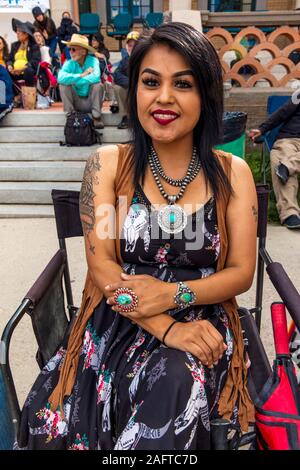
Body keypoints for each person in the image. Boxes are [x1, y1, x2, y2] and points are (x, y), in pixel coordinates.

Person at [17, 23, 257, 450]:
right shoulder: (109, 166)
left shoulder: (231, 174)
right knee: (55, 417)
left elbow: (241, 272)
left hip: (200, 319)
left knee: (177, 381)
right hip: (115, 316)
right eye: (151, 82)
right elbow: (104, 266)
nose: (163, 97)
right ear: (136, 91)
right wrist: (164, 326)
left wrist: (174, 296)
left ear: (206, 96)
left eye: (182, 84)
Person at [249, 98, 300, 229]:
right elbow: (283, 112)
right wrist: (262, 129)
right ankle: (289, 213)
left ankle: (288, 166)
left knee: (284, 165)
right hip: (289, 140)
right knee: (278, 158)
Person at [58, 34, 104, 129]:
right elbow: (60, 78)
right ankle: (71, 116)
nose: (70, 52)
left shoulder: (93, 60)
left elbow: (96, 77)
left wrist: (74, 80)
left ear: (83, 51)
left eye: (73, 49)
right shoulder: (69, 63)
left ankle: (96, 117)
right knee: (63, 85)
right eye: (69, 49)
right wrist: (80, 75)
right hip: (76, 101)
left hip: (91, 101)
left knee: (98, 85)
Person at [7, 18, 41, 108]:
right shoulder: (15, 45)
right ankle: (13, 97)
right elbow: (9, 59)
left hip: (27, 72)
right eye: (17, 31)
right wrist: (10, 66)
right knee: (4, 72)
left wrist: (23, 68)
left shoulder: (34, 46)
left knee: (29, 70)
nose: (17, 33)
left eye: (19, 31)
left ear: (26, 34)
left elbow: (35, 60)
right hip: (15, 72)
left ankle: (29, 98)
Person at [113, 30, 140, 130]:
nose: (131, 48)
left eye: (134, 45)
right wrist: (130, 82)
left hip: (142, 88)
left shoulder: (145, 58)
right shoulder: (125, 60)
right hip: (130, 86)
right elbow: (116, 74)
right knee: (117, 88)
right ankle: (126, 117)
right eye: (129, 45)